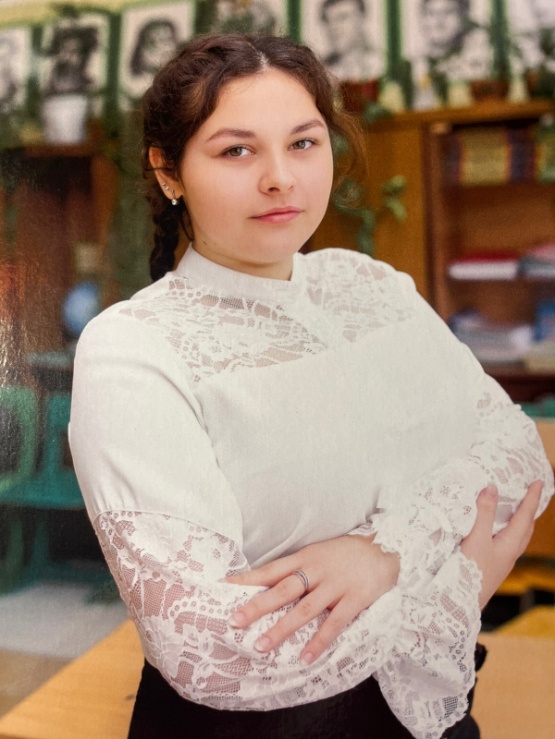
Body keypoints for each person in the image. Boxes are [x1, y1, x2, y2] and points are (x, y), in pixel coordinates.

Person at [69, 33, 553, 739]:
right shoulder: (134, 347)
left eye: (302, 143)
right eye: (237, 151)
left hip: (436, 715)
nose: (280, 178)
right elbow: (211, 649)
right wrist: (459, 581)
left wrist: (386, 555)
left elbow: (519, 454)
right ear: (169, 172)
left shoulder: (373, 287)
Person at [320, 0, 383, 80]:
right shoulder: (322, 70)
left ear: (362, 18)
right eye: (328, 20)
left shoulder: (380, 63)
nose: (333, 27)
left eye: (342, 18)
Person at [44, 25, 98, 96]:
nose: (68, 56)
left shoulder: (89, 86)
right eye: (64, 50)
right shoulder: (50, 83)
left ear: (83, 56)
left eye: (74, 51)